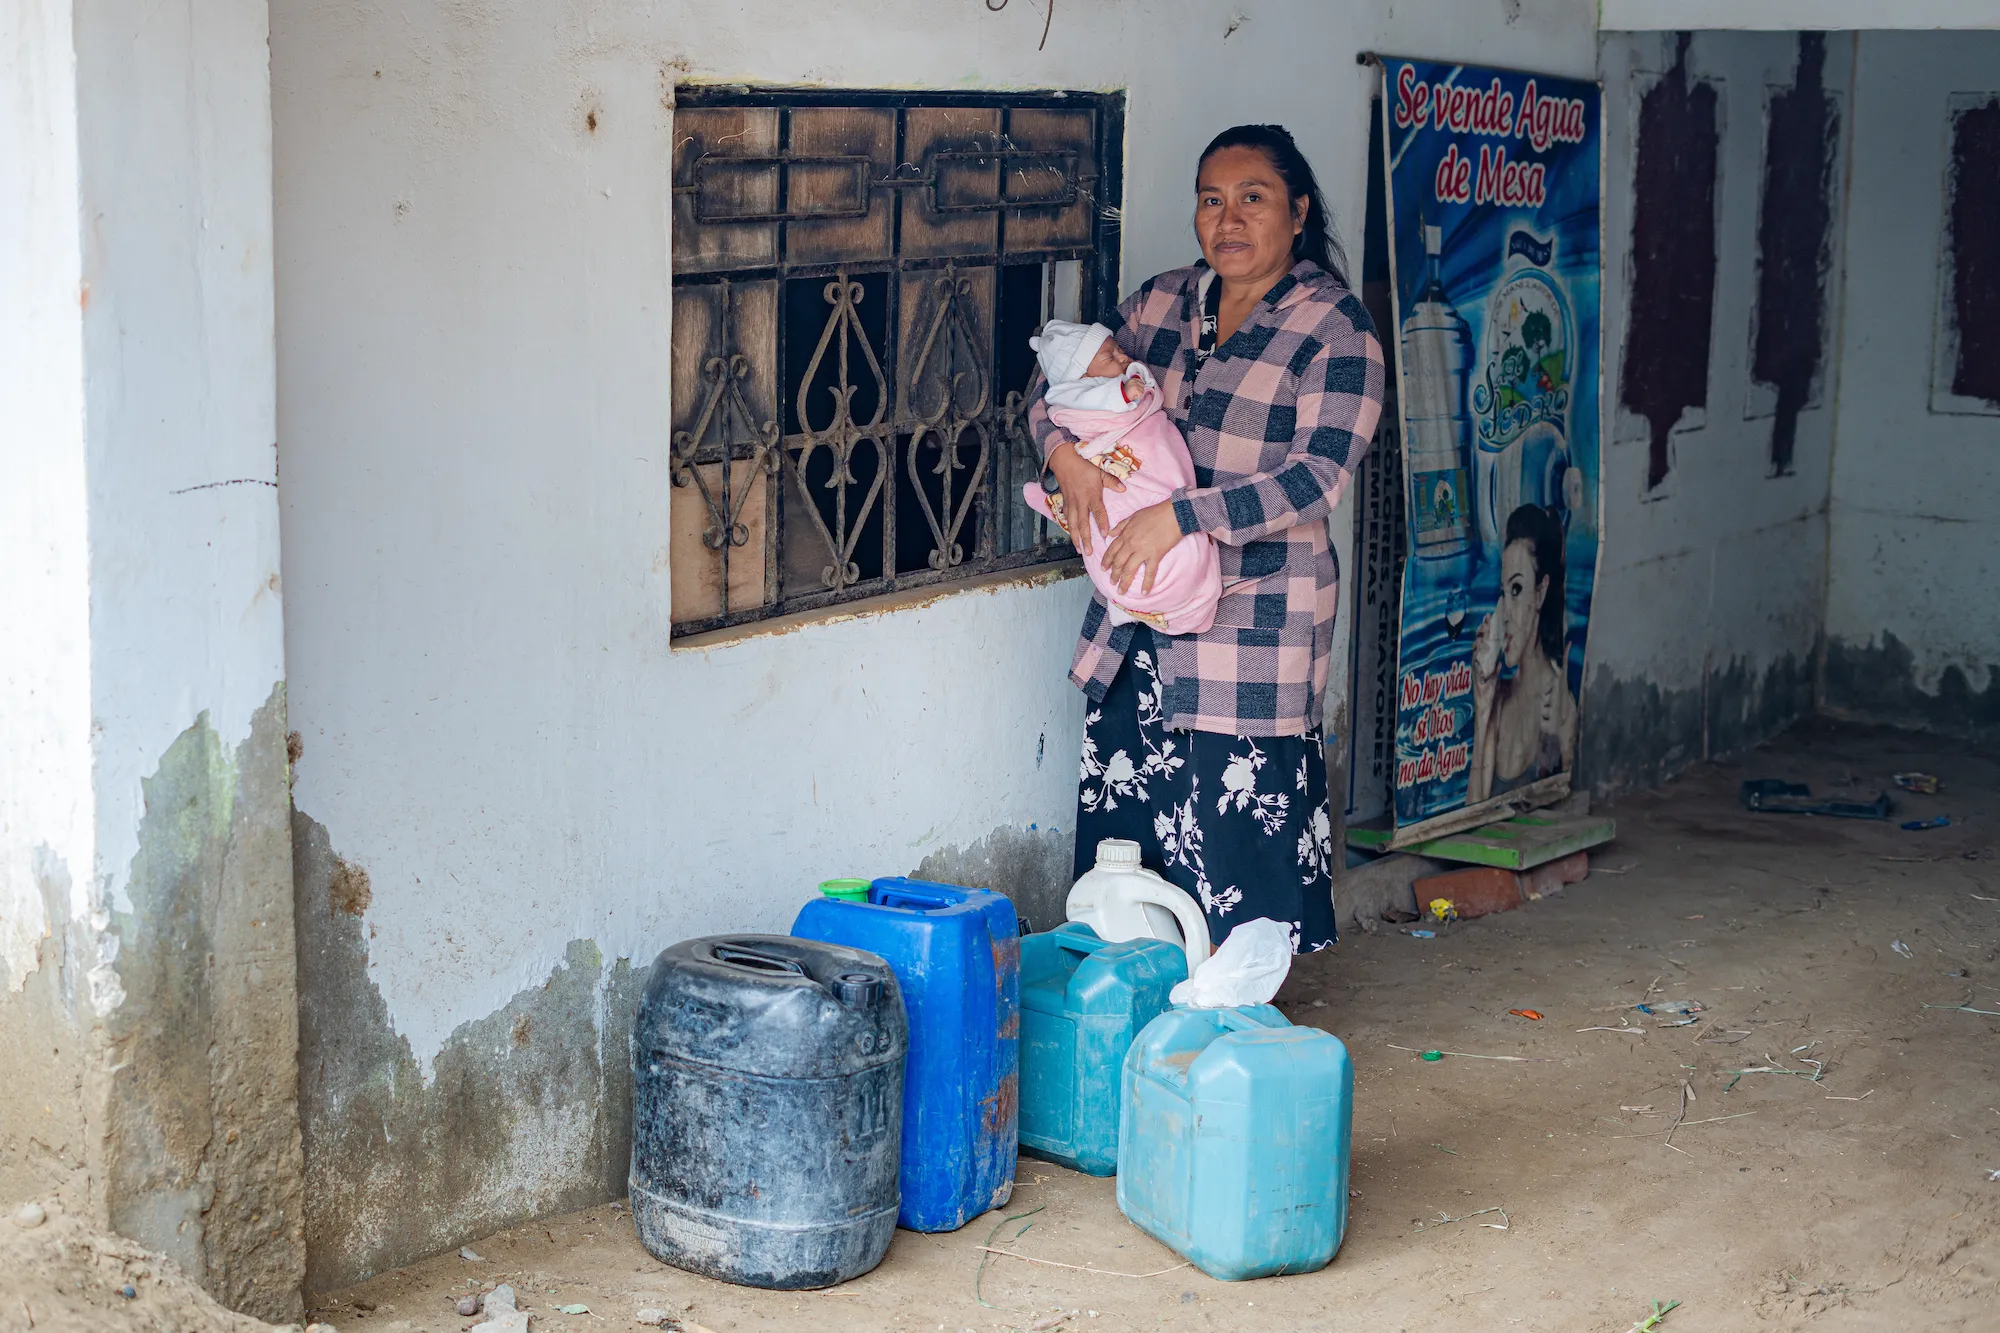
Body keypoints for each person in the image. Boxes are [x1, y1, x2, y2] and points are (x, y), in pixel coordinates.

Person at [1028, 124, 1385, 954]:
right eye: (1211, 200)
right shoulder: (1160, 303)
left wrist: (1185, 515)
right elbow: (1049, 390)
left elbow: (1316, 478)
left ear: (1298, 213)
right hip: (1139, 614)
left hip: (1255, 620)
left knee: (1234, 824)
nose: (1227, 218)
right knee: (1135, 814)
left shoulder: (1336, 332)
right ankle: (1141, 992)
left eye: (1252, 198)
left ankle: (1235, 1014)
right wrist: (1062, 461)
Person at [1021, 319, 1222, 636]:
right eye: (1111, 356)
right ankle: (1148, 594)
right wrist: (1063, 455)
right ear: (1081, 377)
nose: (1124, 357)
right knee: (1109, 515)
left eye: (1118, 350)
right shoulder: (1084, 394)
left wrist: (1183, 515)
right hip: (1116, 468)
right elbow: (1060, 396)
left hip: (1176, 508)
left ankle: (1143, 599)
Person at [1466, 503, 1578, 803]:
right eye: (1503, 593)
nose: (1505, 614)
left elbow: (1556, 813)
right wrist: (1483, 702)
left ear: (1540, 592)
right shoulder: (1499, 700)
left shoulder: (1559, 703)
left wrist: (1552, 741)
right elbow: (1472, 814)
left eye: (1516, 590)